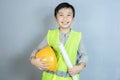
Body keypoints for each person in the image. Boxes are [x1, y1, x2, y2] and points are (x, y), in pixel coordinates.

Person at [30, 2, 88, 80]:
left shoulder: (77, 36)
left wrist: (80, 67)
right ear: (56, 18)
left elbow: (83, 55)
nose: (65, 18)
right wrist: (33, 61)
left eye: (68, 15)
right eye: (61, 15)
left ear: (73, 18)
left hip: (70, 78)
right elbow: (37, 50)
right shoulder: (50, 35)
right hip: (51, 77)